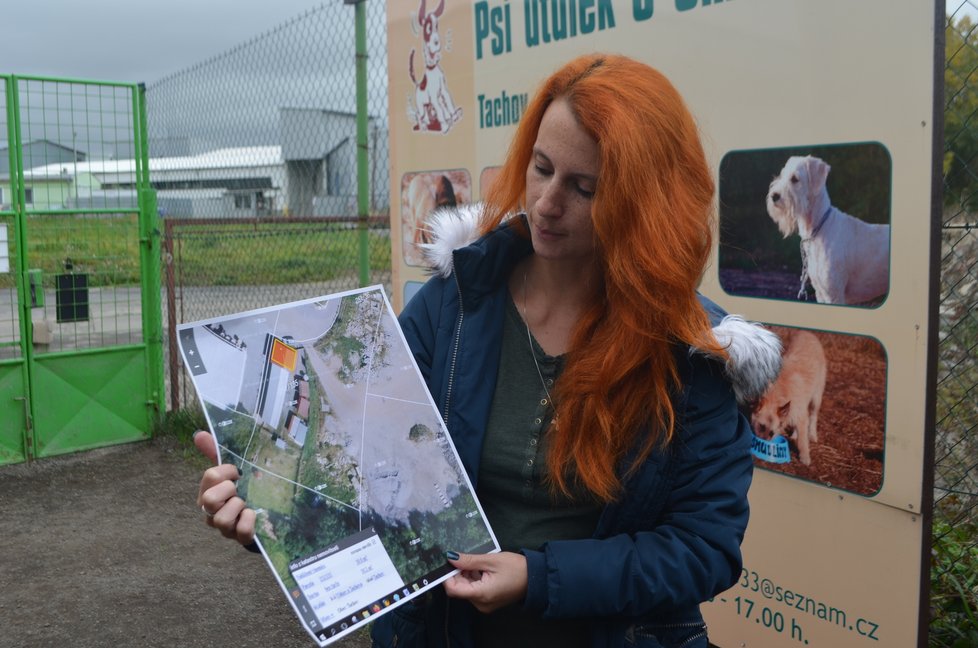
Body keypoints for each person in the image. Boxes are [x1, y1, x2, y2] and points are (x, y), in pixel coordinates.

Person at [196, 53, 782, 648]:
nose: (549, 203)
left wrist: (540, 579)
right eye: (541, 167)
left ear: (645, 204)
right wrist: (274, 510)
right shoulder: (453, 305)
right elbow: (365, 470)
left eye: (586, 188)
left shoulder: (691, 357)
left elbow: (702, 549)